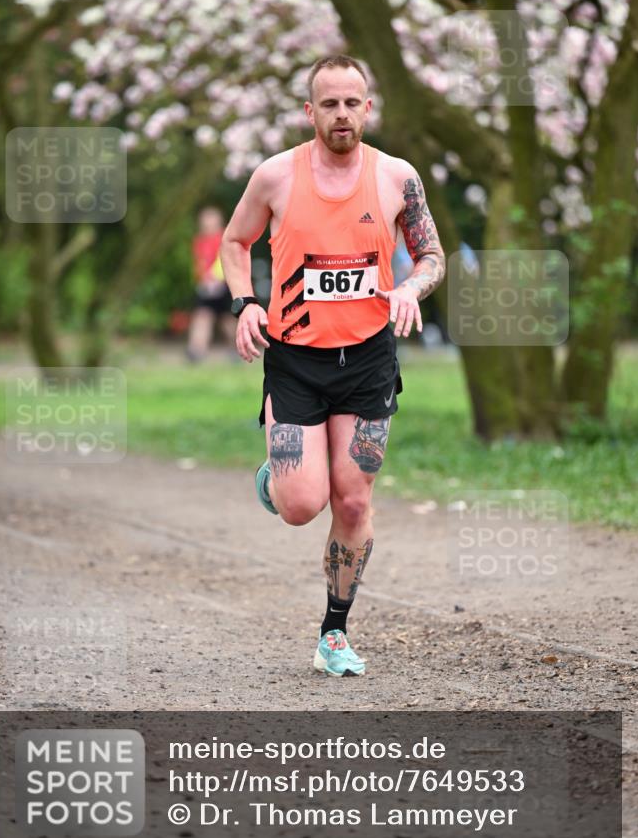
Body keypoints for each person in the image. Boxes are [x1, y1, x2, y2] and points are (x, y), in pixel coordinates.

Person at [220, 55, 445, 676]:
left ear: (367, 107)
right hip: (294, 361)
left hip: (368, 360)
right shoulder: (276, 176)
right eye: (330, 104)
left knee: (352, 502)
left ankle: (334, 633)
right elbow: (234, 242)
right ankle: (280, 471)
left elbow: (430, 255)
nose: (342, 114)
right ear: (309, 111)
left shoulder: (398, 177)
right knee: (301, 505)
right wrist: (245, 304)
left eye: (353, 102)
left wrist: (410, 289)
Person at [187, 206, 237, 362]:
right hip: (206, 286)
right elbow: (199, 263)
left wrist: (217, 278)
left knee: (227, 319)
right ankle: (196, 350)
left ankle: (236, 349)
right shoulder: (199, 241)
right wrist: (202, 279)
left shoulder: (225, 237)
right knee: (202, 316)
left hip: (224, 285)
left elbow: (225, 260)